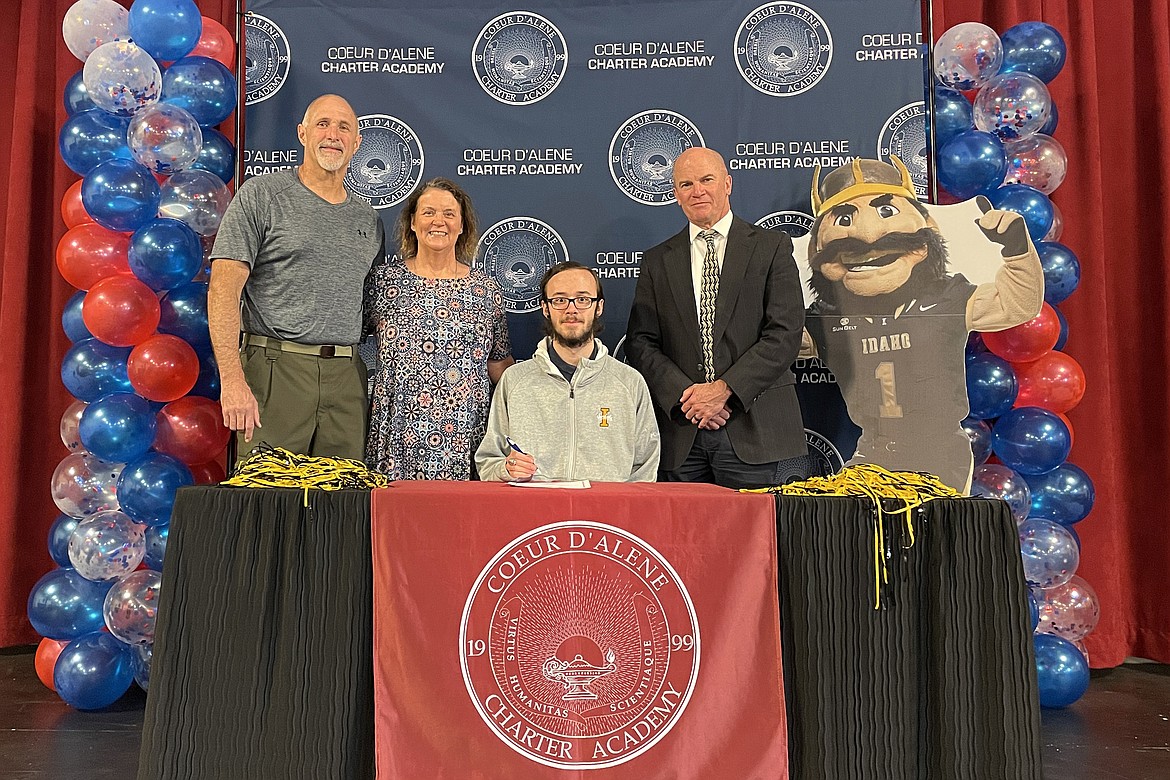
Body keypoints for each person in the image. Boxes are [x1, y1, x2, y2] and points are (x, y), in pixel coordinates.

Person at [209, 93, 385, 464]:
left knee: (340, 507)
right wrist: (233, 380)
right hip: (275, 373)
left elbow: (374, 311)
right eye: (323, 124)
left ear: (357, 142)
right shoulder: (263, 196)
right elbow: (224, 290)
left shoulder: (368, 219)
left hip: (345, 380)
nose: (333, 134)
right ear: (302, 133)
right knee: (268, 505)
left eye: (344, 127)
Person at [625, 147, 810, 489]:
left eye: (707, 180)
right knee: (682, 542)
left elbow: (784, 334)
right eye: (686, 184)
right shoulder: (656, 261)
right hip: (682, 433)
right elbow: (641, 342)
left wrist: (725, 391)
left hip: (757, 430)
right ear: (675, 195)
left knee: (756, 540)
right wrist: (689, 398)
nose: (698, 191)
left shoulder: (771, 248)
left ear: (727, 184)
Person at [365, 178, 513, 479]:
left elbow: (500, 365)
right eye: (428, 212)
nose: (439, 221)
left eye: (449, 213)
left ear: (462, 226)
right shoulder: (382, 282)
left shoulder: (485, 289)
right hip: (395, 437)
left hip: (466, 437)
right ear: (412, 224)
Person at [476, 261, 659, 482]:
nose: (571, 309)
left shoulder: (629, 383)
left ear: (598, 307)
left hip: (605, 514)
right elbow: (488, 461)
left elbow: (645, 469)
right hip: (536, 513)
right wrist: (506, 469)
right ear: (546, 308)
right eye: (560, 300)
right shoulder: (514, 381)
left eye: (582, 299)